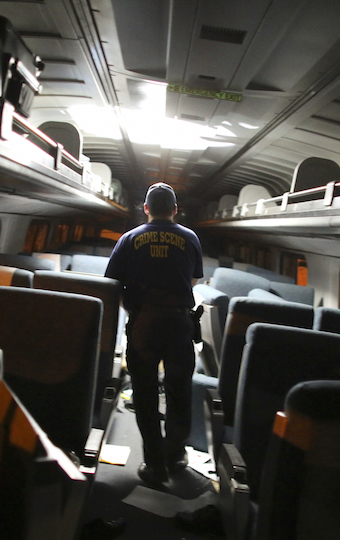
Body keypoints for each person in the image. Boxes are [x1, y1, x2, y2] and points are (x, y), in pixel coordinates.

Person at [105, 182, 204, 484]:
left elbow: (111, 285)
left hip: (144, 322)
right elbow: (195, 280)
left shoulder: (129, 238)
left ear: (145, 209)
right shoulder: (189, 238)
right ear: (175, 210)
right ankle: (175, 455)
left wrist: (134, 309)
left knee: (145, 393)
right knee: (179, 390)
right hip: (179, 323)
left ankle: (154, 464)